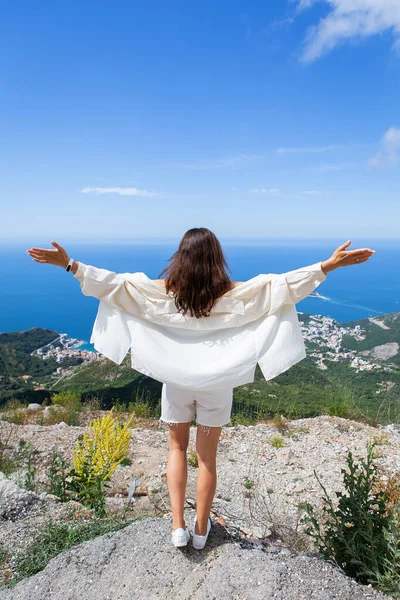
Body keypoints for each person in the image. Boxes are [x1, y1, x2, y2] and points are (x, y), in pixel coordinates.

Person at [26, 229, 376, 549]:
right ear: (216, 258)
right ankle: (201, 528)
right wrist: (327, 266)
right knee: (207, 458)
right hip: (217, 385)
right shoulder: (234, 294)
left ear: (180, 258)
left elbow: (115, 286)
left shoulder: (162, 294)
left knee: (176, 449)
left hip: (177, 382)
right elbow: (280, 287)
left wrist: (70, 265)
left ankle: (178, 526)